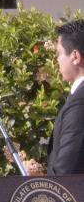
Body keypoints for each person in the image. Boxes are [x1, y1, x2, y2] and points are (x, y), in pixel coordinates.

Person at [24, 18, 84, 176]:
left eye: (59, 54)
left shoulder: (80, 102)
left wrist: (45, 185)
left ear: (75, 57)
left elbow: (68, 168)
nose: (56, 60)